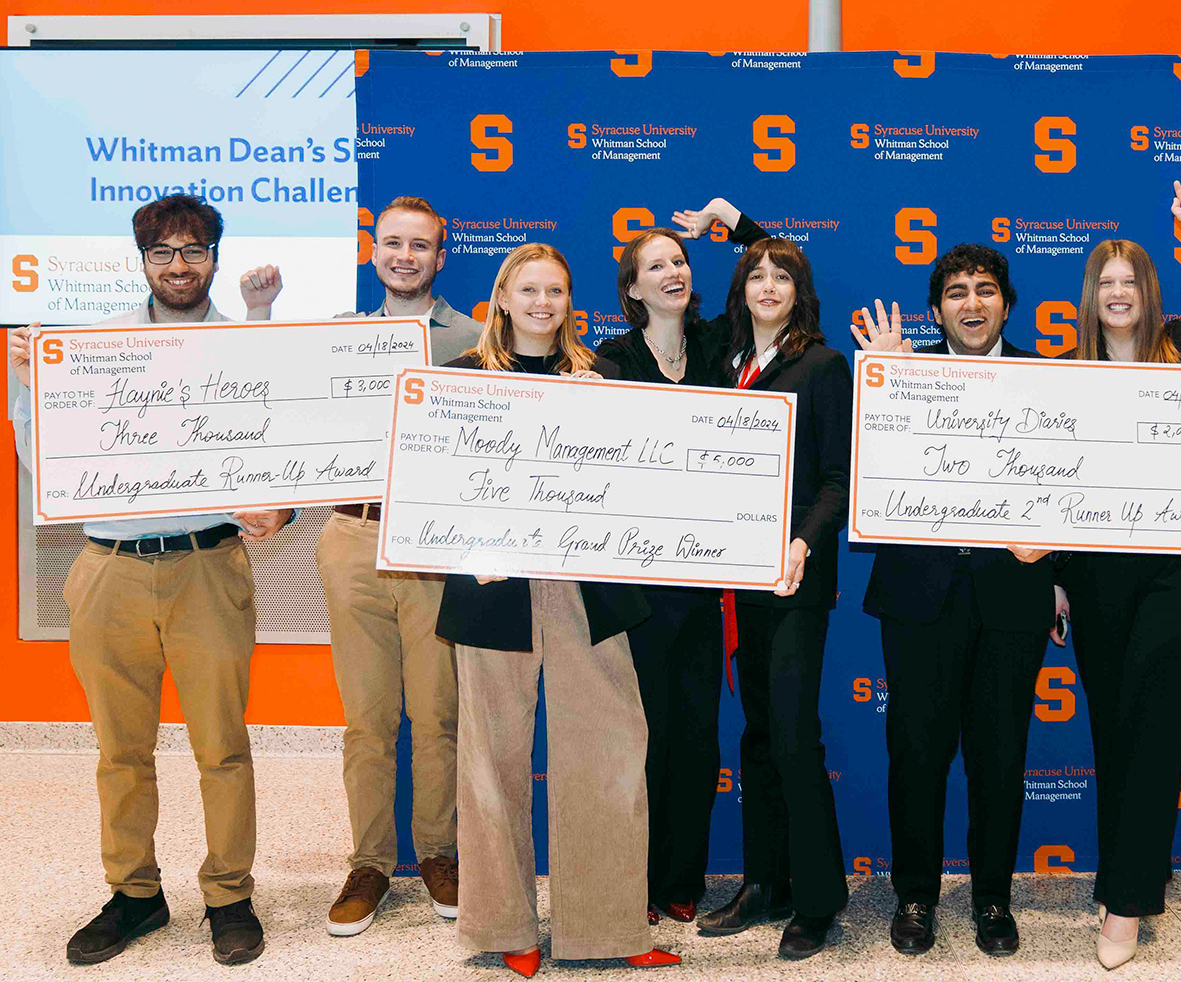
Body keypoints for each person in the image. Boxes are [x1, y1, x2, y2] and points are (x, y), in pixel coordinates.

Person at [6, 194, 290, 966]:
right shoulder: (94, 349)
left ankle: (228, 893)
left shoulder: (242, 349)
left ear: (214, 261)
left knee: (222, 747)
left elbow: (275, 455)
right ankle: (135, 895)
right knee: (119, 750)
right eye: (163, 252)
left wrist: (280, 511)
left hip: (208, 567)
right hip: (108, 572)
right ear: (141, 263)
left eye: (193, 251)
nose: (178, 265)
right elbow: (47, 468)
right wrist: (25, 387)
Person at [433, 242, 678, 976]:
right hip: (490, 590)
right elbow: (435, 490)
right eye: (529, 289)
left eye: (557, 290)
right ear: (502, 297)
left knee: (609, 750)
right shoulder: (461, 381)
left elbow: (637, 482)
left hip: (588, 590)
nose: (543, 303)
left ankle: (605, 928)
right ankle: (503, 928)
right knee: (490, 760)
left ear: (572, 301)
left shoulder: (602, 379)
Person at [1058, 177, 1181, 969]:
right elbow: (1052, 480)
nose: (1118, 292)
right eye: (1106, 283)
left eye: (1129, 281)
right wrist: (1058, 579)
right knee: (1113, 734)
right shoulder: (1065, 370)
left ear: (1148, 291)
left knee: (1157, 732)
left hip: (1173, 577)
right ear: (1091, 297)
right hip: (1096, 581)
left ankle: (1128, 906)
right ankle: (1128, 875)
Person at [853, 244, 1059, 958]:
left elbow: (1073, 488)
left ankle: (994, 900)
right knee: (916, 753)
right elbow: (868, 469)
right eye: (957, 292)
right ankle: (915, 894)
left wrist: (1056, 559)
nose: (972, 303)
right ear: (935, 309)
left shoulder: (1048, 380)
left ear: (1007, 302)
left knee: (1001, 757)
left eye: (986, 290)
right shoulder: (903, 377)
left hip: (1013, 598)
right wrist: (885, 381)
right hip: (921, 598)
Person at [674, 211, 852, 962]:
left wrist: (804, 543)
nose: (769, 284)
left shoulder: (821, 364)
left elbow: (840, 478)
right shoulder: (725, 355)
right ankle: (765, 880)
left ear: (799, 290)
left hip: (794, 581)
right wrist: (738, 228)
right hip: (732, 579)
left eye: (783, 275)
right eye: (757, 273)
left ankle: (817, 899)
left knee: (793, 734)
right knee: (754, 736)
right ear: (741, 287)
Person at [594, 200, 769, 927]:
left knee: (697, 738)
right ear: (632, 288)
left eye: (680, 261)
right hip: (634, 589)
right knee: (641, 738)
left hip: (705, 586)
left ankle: (679, 876)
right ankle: (630, 875)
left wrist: (739, 226)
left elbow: (778, 275)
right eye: (655, 264)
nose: (672, 271)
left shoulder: (719, 345)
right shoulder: (607, 361)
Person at [319, 196, 480, 936]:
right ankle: (371, 864)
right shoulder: (340, 337)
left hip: (436, 547)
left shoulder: (478, 340)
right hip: (353, 539)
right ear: (373, 252)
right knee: (367, 720)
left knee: (439, 714)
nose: (405, 256)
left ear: (441, 256)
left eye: (421, 245)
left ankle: (440, 854)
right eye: (392, 243)